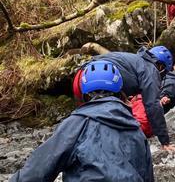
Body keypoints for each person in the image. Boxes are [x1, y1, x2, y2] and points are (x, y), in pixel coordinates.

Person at [11, 60, 154, 182]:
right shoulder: (135, 129)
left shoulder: (76, 124)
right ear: (119, 91)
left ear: (85, 94)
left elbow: (36, 171)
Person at [82, 46, 175, 151]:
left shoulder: (133, 60)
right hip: (102, 81)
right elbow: (153, 105)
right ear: (161, 67)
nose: (162, 77)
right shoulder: (151, 69)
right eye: (163, 74)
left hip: (82, 77)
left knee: (88, 121)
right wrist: (165, 141)